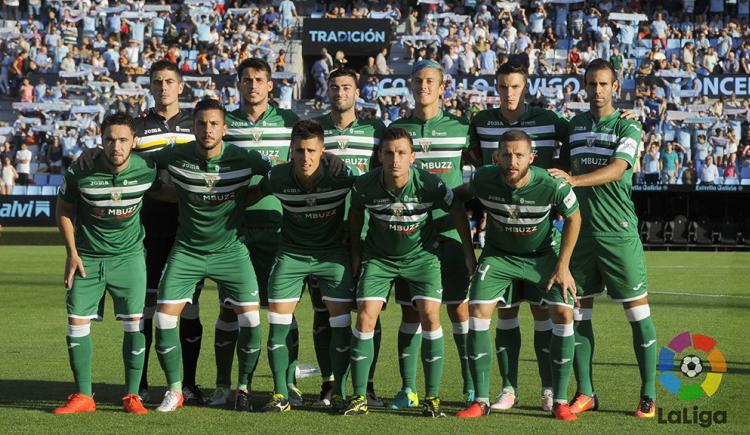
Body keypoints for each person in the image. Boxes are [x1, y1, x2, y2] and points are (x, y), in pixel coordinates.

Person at [549, 59, 657, 420]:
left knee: (637, 312)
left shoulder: (628, 125)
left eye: (603, 84)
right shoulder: (574, 126)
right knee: (579, 314)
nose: (597, 91)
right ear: (584, 86)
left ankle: (648, 394)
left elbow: (616, 170)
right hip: (580, 234)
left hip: (618, 233)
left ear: (616, 86)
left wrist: (575, 180)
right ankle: (586, 392)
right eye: (592, 84)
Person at [148, 98, 272, 413]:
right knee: (163, 318)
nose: (207, 129)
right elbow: (136, 161)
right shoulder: (175, 156)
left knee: (252, 319)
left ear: (224, 128)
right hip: (187, 250)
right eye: (201, 123)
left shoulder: (244, 159)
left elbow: (276, 175)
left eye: (214, 123)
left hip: (231, 250)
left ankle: (242, 388)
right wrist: (94, 155)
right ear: (193, 127)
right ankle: (175, 390)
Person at [343, 127, 476, 417]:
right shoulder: (365, 185)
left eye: (401, 153)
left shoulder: (429, 184)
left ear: (412, 156)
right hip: (379, 259)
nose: (395, 159)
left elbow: (456, 210)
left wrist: (468, 253)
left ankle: (433, 397)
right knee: (366, 316)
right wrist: (355, 253)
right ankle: (358, 396)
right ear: (379, 156)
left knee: (430, 315)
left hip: (422, 258)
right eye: (389, 153)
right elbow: (355, 215)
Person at [455, 129, 581, 419]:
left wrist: (563, 266)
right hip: (499, 258)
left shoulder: (551, 185)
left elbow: (575, 217)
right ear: (497, 157)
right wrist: (467, 252)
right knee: (476, 310)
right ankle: (482, 399)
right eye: (506, 154)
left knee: (563, 313)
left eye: (519, 155)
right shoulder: (484, 178)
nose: (513, 161)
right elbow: (455, 201)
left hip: (542, 258)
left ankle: (559, 399)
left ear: (531, 158)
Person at [468, 60, 567, 412]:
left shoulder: (549, 120)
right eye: (503, 86)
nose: (509, 93)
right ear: (495, 87)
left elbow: (579, 137)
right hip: (501, 234)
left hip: (539, 232)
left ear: (525, 87)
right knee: (506, 314)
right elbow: (471, 158)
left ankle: (548, 389)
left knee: (543, 315)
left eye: (515, 86)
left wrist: (561, 174)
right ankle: (508, 389)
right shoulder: (481, 121)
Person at [53, 113, 159, 415]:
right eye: (110, 140)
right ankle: (84, 396)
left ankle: (132, 395)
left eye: (124, 140)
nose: (117, 146)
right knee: (76, 324)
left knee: (135, 325)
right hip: (87, 258)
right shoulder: (81, 169)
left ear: (134, 142)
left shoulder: (148, 169)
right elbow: (63, 209)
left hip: (129, 259)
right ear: (100, 141)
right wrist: (72, 253)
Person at [253, 120, 356, 413]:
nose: (306, 157)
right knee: (277, 322)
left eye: (312, 150)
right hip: (292, 254)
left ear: (322, 151)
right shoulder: (277, 177)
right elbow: (252, 196)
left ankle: (339, 392)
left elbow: (368, 192)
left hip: (331, 254)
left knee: (340, 322)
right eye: (299, 150)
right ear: (291, 151)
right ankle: (280, 394)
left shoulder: (341, 174)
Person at [390, 60, 474, 409]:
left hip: (451, 232)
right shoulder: (397, 128)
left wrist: (462, 198)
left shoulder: (461, 128)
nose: (423, 86)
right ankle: (408, 389)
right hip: (410, 235)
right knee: (411, 313)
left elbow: (485, 170)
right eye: (418, 81)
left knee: (459, 310)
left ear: (443, 88)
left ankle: (472, 386)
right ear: (411, 86)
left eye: (430, 81)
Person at [219, 58, 301, 409]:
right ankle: (230, 386)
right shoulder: (225, 124)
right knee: (231, 310)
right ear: (238, 84)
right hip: (233, 229)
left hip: (279, 227)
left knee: (283, 311)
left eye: (259, 79)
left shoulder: (289, 123)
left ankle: (289, 383)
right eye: (246, 79)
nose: (253, 85)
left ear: (271, 85)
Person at [312, 68, 386, 407]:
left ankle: (366, 383)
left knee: (369, 311)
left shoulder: (375, 132)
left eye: (346, 87)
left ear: (357, 92)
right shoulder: (314, 131)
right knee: (323, 311)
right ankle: (329, 383)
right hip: (324, 234)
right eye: (334, 87)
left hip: (368, 233)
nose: (339, 93)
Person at [132, 60, 203, 406]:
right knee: (144, 307)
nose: (164, 87)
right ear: (150, 86)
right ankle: (141, 384)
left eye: (170, 81)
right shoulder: (137, 126)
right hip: (148, 230)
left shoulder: (197, 125)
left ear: (181, 86)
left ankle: (188, 384)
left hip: (190, 230)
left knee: (189, 308)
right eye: (157, 81)